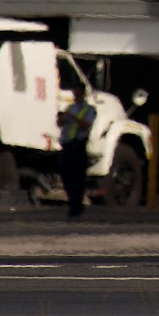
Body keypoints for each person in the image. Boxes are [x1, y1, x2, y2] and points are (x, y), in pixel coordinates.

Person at [58, 83, 97, 218]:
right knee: (65, 175)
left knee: (77, 178)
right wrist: (62, 118)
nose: (75, 93)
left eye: (77, 91)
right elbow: (60, 123)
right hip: (68, 145)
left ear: (82, 92)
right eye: (74, 91)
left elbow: (87, 124)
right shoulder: (70, 108)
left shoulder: (89, 109)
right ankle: (73, 203)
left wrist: (73, 118)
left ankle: (76, 206)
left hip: (79, 146)